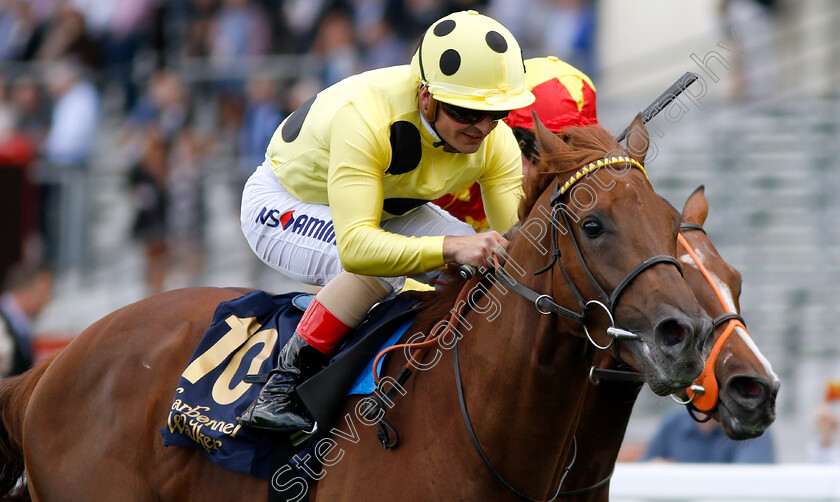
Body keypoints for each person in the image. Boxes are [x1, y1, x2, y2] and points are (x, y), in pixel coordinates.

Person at [238, 10, 535, 433]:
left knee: (483, 261)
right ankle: (282, 387)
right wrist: (450, 247)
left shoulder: (495, 141)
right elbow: (357, 248)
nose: (483, 128)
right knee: (387, 267)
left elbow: (515, 246)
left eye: (497, 114)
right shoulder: (366, 117)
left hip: (384, 210)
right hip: (283, 204)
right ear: (427, 96)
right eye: (467, 113)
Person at [432, 55, 598, 228]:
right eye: (544, 148)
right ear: (501, 134)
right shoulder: (440, 185)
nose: (563, 171)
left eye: (578, 152)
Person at [642, 407, 776, 463]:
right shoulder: (674, 422)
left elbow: (746, 484)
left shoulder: (751, 426)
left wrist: (675, 475)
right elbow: (646, 466)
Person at [0, 263, 54, 377]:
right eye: (42, 293)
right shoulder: (2, 323)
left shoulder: (19, 325)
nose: (47, 300)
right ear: (24, 292)